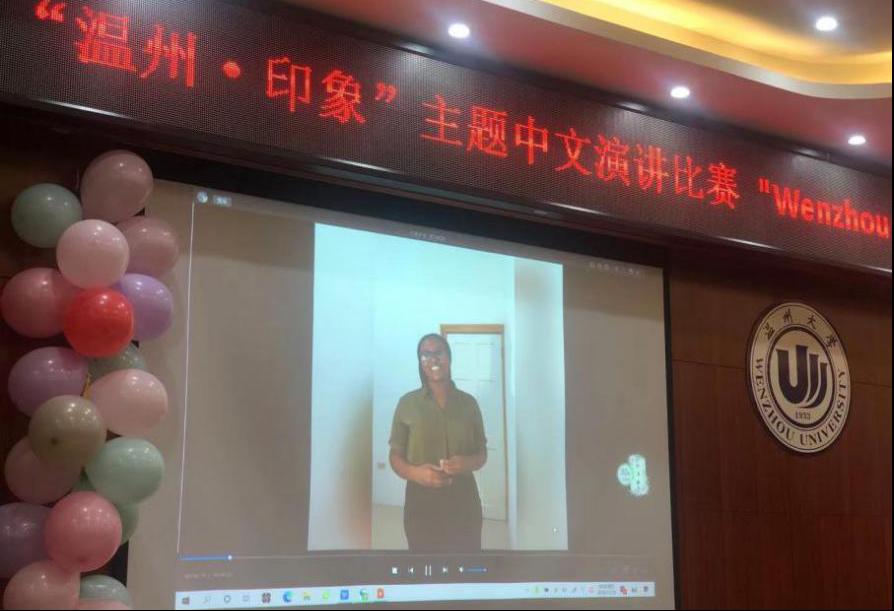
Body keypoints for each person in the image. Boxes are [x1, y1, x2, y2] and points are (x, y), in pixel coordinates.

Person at [388, 333, 488, 552]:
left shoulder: (469, 404)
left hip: (464, 499)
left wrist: (467, 463)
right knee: (424, 563)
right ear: (420, 362)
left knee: (466, 560)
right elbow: (395, 456)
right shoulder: (407, 404)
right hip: (420, 501)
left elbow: (482, 453)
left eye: (438, 353)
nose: (432, 359)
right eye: (425, 355)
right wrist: (415, 473)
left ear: (449, 358)